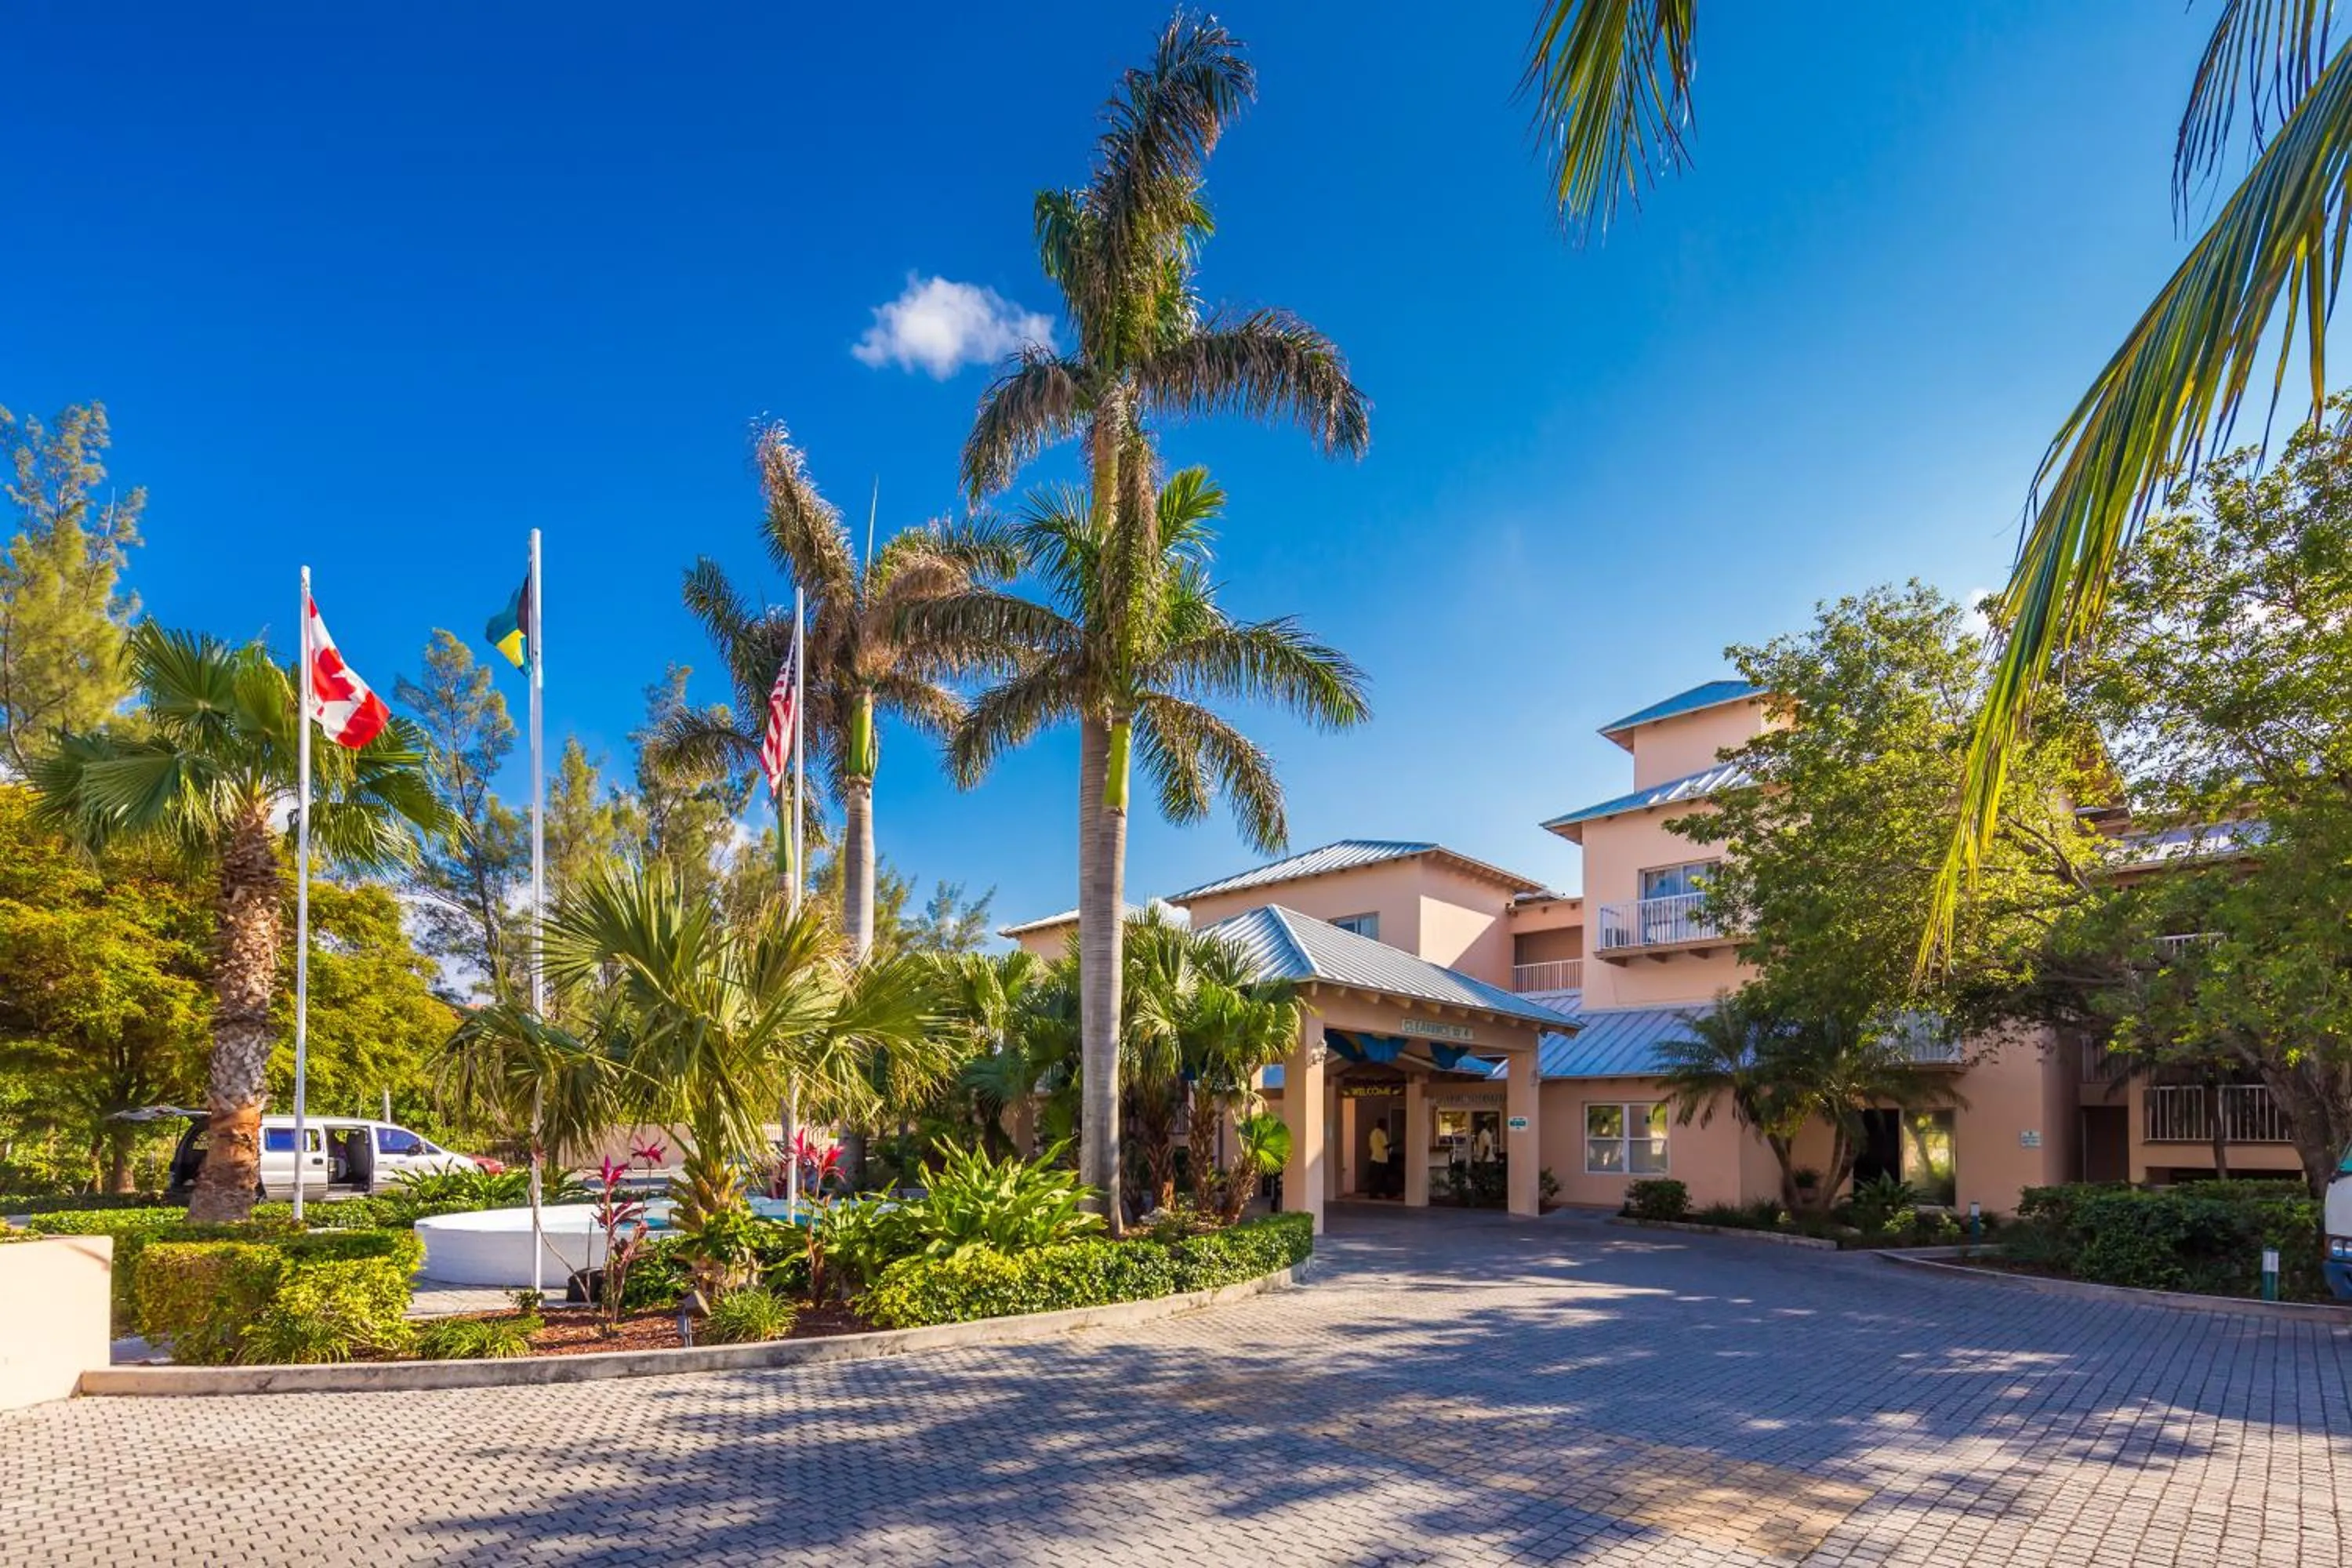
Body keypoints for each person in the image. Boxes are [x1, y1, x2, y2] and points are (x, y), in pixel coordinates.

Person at [1367, 1120, 1392, 1198]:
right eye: (1385, 1124)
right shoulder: (1380, 1133)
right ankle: (1376, 1194)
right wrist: (1393, 1144)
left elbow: (1371, 1145)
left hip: (1374, 1157)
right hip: (1381, 1159)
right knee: (1380, 1178)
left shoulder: (1373, 1133)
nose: (1386, 1126)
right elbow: (1385, 1145)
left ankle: (1376, 1193)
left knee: (1376, 1178)